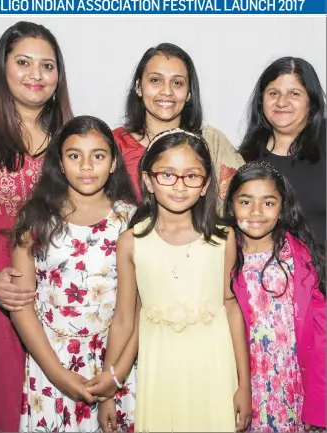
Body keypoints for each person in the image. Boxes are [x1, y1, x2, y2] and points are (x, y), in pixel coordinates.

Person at [84, 129, 251, 432]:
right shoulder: (131, 243)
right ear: (148, 180)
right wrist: (108, 389)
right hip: (160, 370)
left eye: (192, 176)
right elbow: (123, 320)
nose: (179, 186)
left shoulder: (223, 239)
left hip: (214, 368)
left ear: (205, 185)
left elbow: (231, 308)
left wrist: (244, 384)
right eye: (168, 175)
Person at [9, 115, 137, 432]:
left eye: (98, 155)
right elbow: (20, 304)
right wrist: (58, 374)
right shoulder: (36, 218)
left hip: (115, 362)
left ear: (113, 164)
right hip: (51, 362)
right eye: (74, 155)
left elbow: (136, 311)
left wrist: (114, 376)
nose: (86, 165)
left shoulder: (130, 220)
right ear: (60, 164)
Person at [0, 21, 73, 431]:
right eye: (23, 62)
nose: (36, 75)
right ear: (2, 68)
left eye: (47, 65)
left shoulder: (71, 141)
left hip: (58, 295)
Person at [223, 161, 326, 432]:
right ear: (231, 205)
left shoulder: (301, 257)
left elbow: (320, 336)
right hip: (241, 387)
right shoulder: (220, 257)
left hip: (293, 390)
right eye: (246, 201)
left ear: (283, 209)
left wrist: (318, 407)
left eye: (268, 203)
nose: (256, 212)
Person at [113, 42, 244, 207]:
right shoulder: (114, 144)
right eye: (156, 80)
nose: (167, 91)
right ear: (139, 87)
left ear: (189, 93)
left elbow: (246, 201)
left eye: (177, 83)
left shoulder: (211, 142)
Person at [238, 57, 326, 247]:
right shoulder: (244, 159)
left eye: (294, 93)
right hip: (267, 274)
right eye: (273, 93)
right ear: (261, 101)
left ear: (311, 101)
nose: (281, 102)